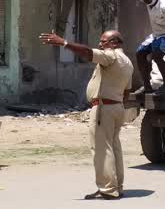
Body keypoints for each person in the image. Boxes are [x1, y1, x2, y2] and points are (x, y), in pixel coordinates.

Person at [39, 30, 134, 200]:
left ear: (114, 43)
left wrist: (64, 43)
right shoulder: (127, 62)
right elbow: (127, 91)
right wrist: (117, 104)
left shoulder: (110, 56)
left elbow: (88, 53)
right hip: (117, 107)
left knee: (101, 149)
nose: (100, 45)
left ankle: (108, 189)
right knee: (114, 147)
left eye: (103, 42)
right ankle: (116, 186)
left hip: (104, 108)